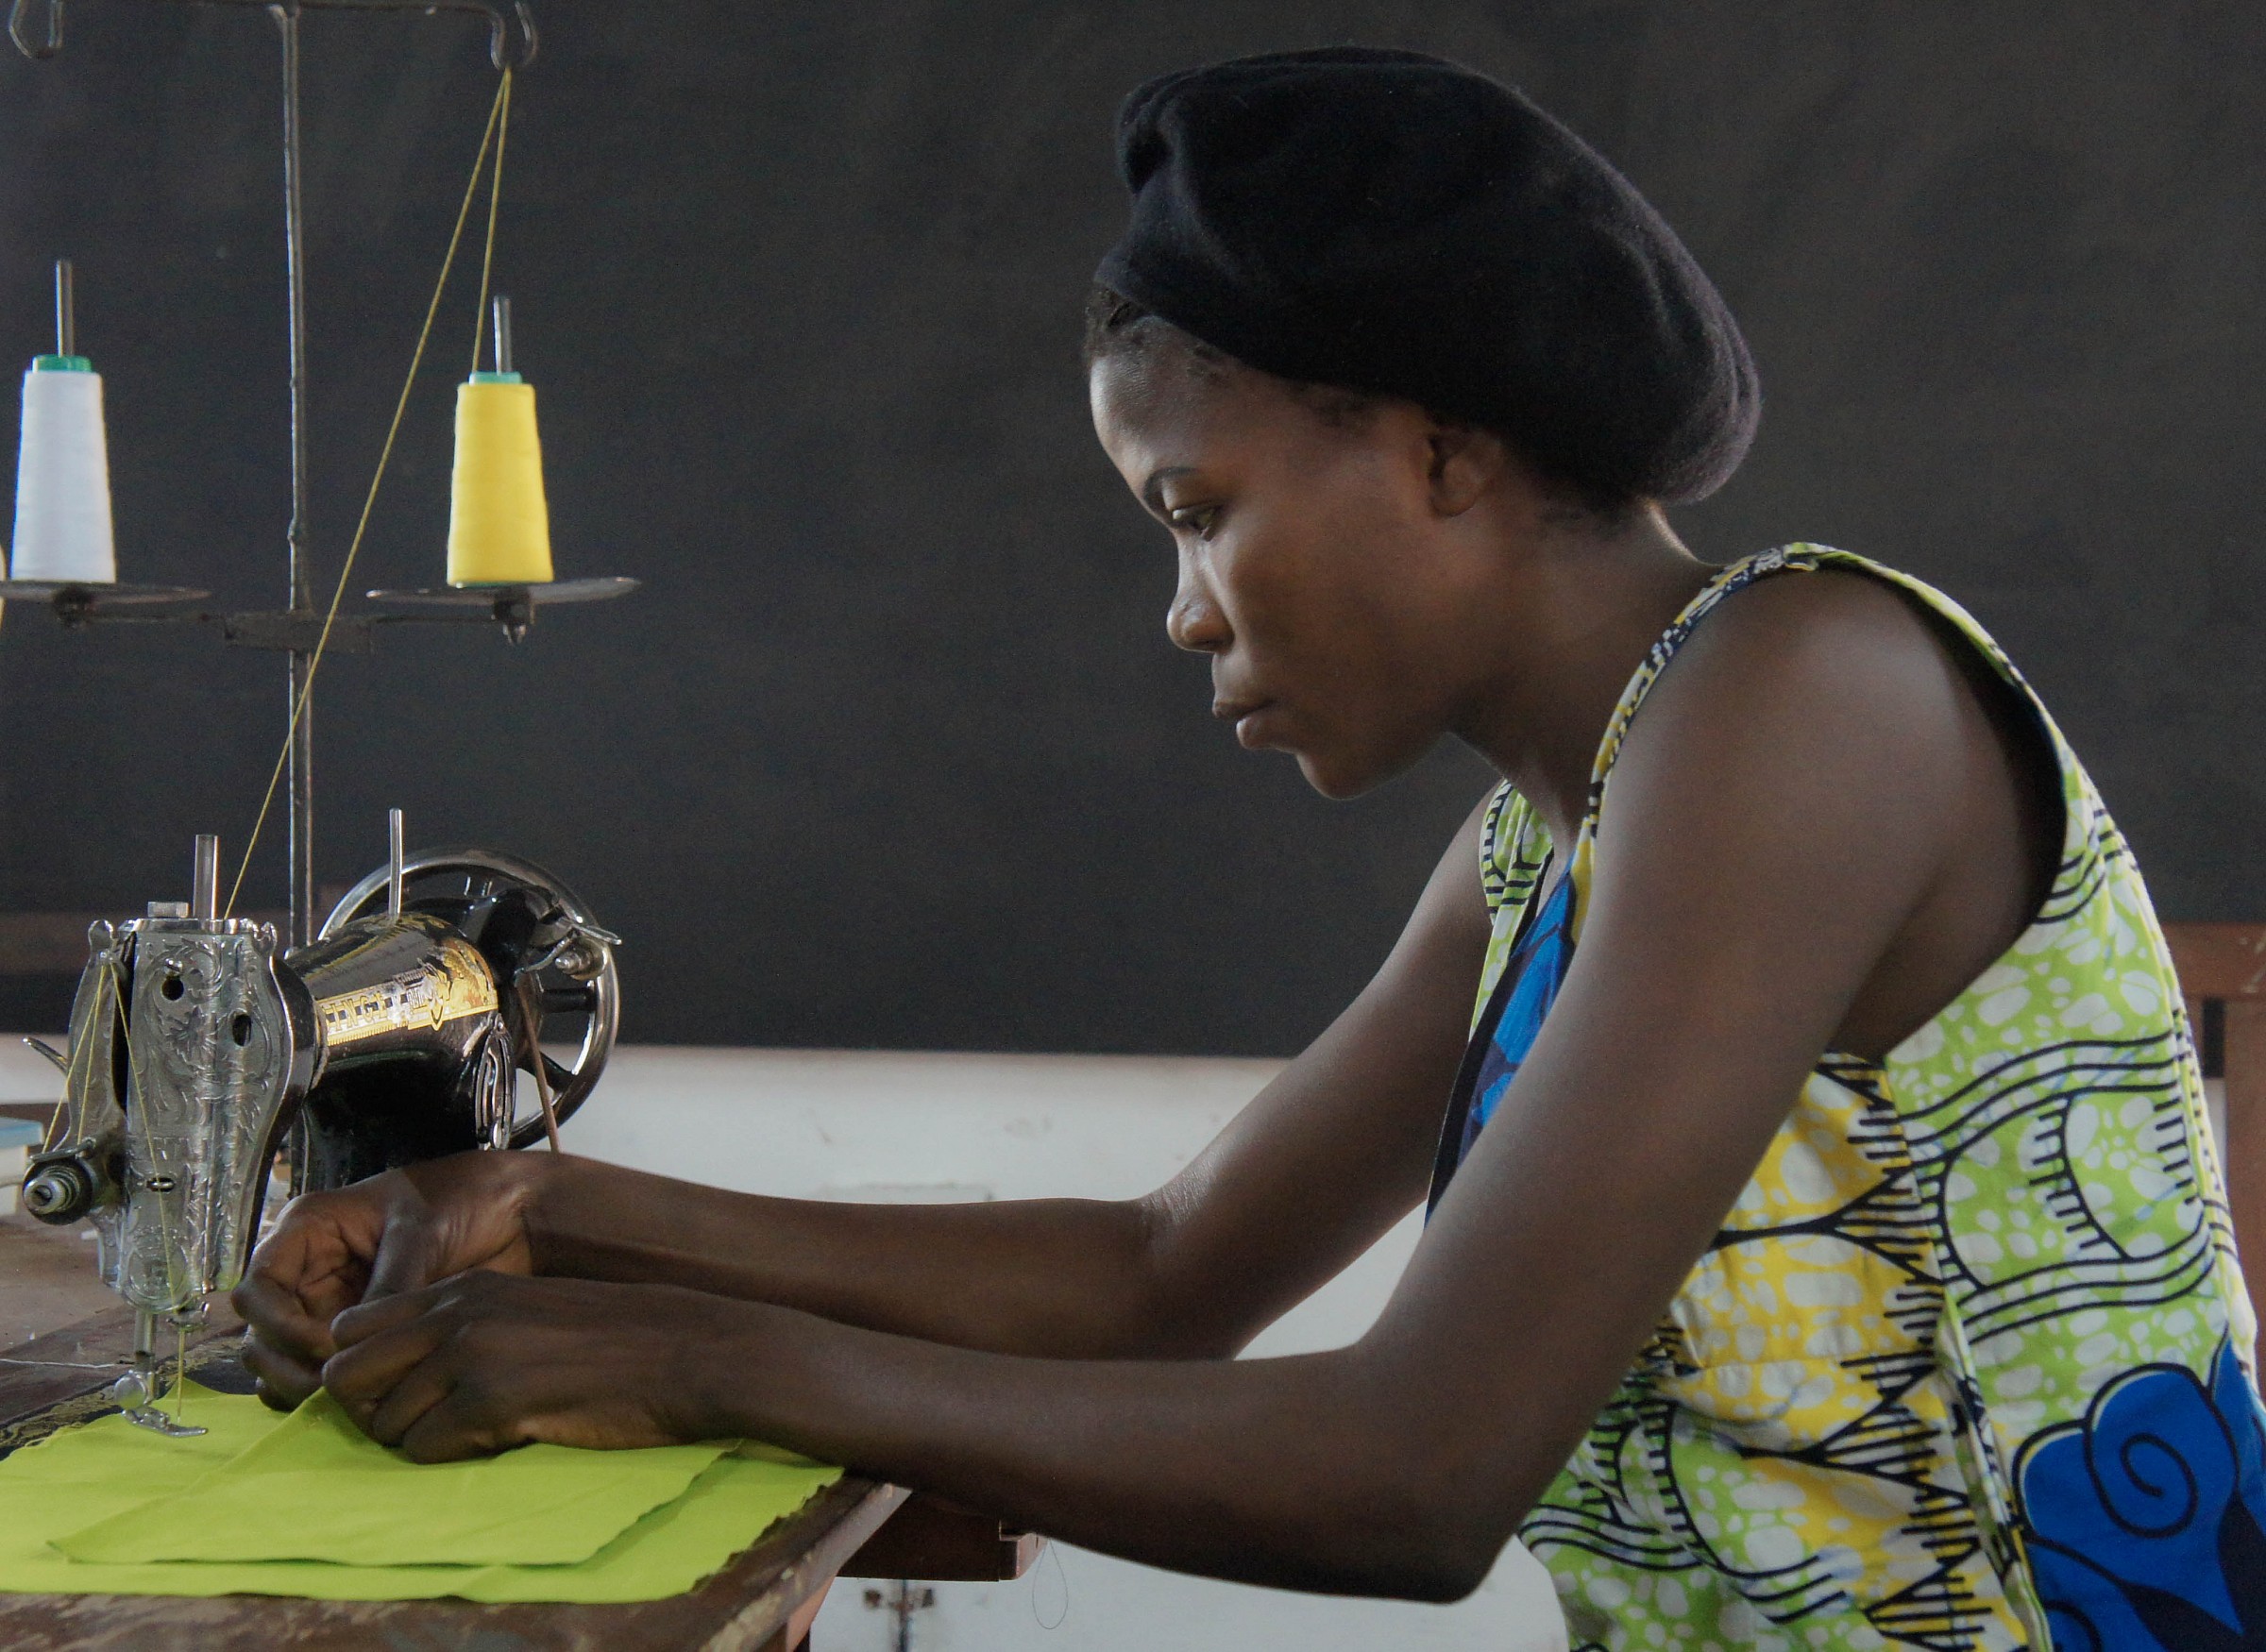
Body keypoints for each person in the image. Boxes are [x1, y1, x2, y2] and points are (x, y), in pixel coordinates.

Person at [235, 47, 2265, 1652]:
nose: (1188, 609)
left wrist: (692, 1356)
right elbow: (1164, 1271)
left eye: (1199, 510)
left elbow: (1419, 1471)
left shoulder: (1807, 691)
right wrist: (539, 1208)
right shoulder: (1544, 847)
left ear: (1445, 448)